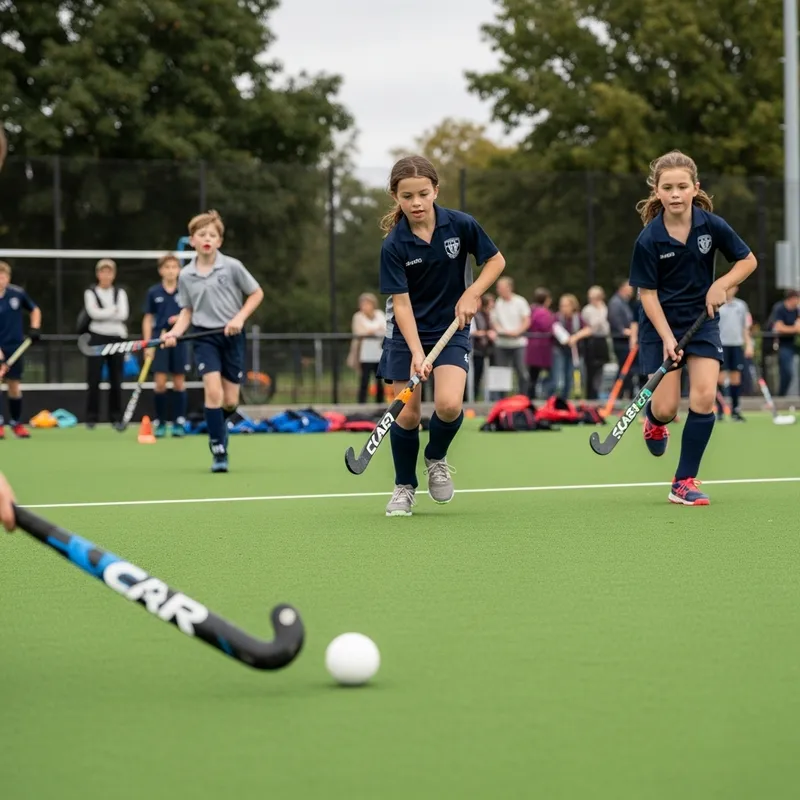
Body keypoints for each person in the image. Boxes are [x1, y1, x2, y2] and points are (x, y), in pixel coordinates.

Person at [377, 155, 506, 517]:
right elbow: (401, 306)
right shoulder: (394, 245)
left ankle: (435, 456)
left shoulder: (460, 225)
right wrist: (417, 353)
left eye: (422, 193)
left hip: (451, 329)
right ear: (396, 197)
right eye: (407, 196)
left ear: (435, 190)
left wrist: (472, 293)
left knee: (449, 404)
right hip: (406, 334)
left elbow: (495, 262)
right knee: (407, 414)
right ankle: (404, 486)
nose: (416, 203)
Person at [630, 150, 757, 506]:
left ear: (694, 188)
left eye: (681, 186)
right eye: (667, 187)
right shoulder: (649, 240)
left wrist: (723, 285)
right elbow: (648, 295)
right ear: (656, 191)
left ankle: (683, 481)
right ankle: (654, 420)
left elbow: (747, 261)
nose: (674, 194)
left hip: (702, 322)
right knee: (668, 407)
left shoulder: (711, 225)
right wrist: (668, 337)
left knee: (703, 395)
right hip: (661, 326)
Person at [162, 210, 264, 473]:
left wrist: (239, 318)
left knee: (230, 401)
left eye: (212, 234)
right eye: (201, 234)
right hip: (204, 338)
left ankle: (220, 426)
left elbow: (256, 293)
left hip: (232, 337)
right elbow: (187, 312)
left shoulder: (232, 266)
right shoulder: (185, 275)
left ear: (219, 241)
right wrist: (174, 333)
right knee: (213, 392)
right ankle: (219, 449)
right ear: (192, 240)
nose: (207, 238)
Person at [143, 254, 188, 437]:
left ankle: (178, 422)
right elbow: (148, 319)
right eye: (167, 267)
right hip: (159, 342)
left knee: (179, 382)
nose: (170, 271)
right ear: (161, 270)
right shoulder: (154, 292)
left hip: (179, 341)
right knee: (160, 384)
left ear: (179, 270)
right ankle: (161, 422)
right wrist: (148, 344)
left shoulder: (185, 291)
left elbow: (191, 313)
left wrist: (180, 320)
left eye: (174, 267)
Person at [84, 259, 129, 429]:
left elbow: (123, 314)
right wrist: (112, 311)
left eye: (109, 272)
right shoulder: (90, 292)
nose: (106, 275)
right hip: (97, 338)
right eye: (103, 271)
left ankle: (116, 417)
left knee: (116, 379)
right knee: (93, 378)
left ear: (114, 274)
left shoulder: (120, 293)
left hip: (117, 338)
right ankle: (91, 417)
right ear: (98, 274)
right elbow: (93, 313)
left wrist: (104, 313)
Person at [0, 261, 41, 438]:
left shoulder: (17, 294)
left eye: (4, 276)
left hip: (15, 348)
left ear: (8, 278)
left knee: (14, 387)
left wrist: (35, 328)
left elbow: (35, 310)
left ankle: (16, 423)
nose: (1, 280)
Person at [717, 285, 752, 421]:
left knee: (736, 377)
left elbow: (745, 327)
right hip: (721, 345)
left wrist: (748, 344)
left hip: (736, 344)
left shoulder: (741, 306)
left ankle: (735, 410)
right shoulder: (718, 305)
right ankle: (719, 410)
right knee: (719, 378)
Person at [490, 277, 531, 396]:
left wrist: (517, 331)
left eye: (501, 287)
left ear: (509, 288)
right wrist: (501, 331)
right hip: (501, 343)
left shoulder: (520, 301)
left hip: (518, 343)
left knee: (522, 371)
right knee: (502, 373)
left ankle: (523, 397)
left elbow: (526, 320)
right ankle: (502, 400)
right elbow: (494, 322)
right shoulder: (497, 303)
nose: (499, 290)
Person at [349, 293, 386, 404]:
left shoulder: (380, 314)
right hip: (364, 354)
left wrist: (371, 331)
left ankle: (380, 403)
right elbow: (360, 332)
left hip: (378, 353)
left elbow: (385, 329)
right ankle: (361, 403)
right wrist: (374, 330)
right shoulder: (358, 316)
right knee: (364, 380)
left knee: (379, 380)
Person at [607, 279, 638, 399]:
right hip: (620, 340)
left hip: (626, 339)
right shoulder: (616, 302)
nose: (632, 291)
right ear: (622, 288)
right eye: (629, 288)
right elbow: (614, 320)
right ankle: (618, 395)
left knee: (627, 370)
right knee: (624, 369)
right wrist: (624, 330)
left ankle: (625, 394)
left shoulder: (625, 302)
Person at [581, 285, 611, 400]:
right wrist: (601, 313)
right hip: (591, 341)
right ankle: (590, 395)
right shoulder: (588, 310)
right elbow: (594, 324)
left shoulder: (604, 307)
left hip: (602, 340)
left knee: (601, 369)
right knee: (590, 371)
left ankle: (599, 393)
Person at [767, 290, 800, 396]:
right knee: (786, 372)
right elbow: (779, 327)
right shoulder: (780, 308)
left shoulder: (797, 310)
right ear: (791, 298)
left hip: (793, 344)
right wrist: (794, 329)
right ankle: (781, 395)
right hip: (781, 344)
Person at [525, 287, 555, 399]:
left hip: (532, 346)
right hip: (541, 347)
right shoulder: (543, 312)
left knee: (533, 374)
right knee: (539, 374)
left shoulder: (530, 310)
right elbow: (546, 326)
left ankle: (532, 395)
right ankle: (540, 396)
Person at [468, 294, 495, 400]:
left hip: (482, 350)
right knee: (472, 376)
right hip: (473, 350)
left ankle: (475, 397)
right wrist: (486, 333)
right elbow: (472, 332)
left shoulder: (484, 315)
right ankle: (469, 398)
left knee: (479, 376)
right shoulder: (473, 315)